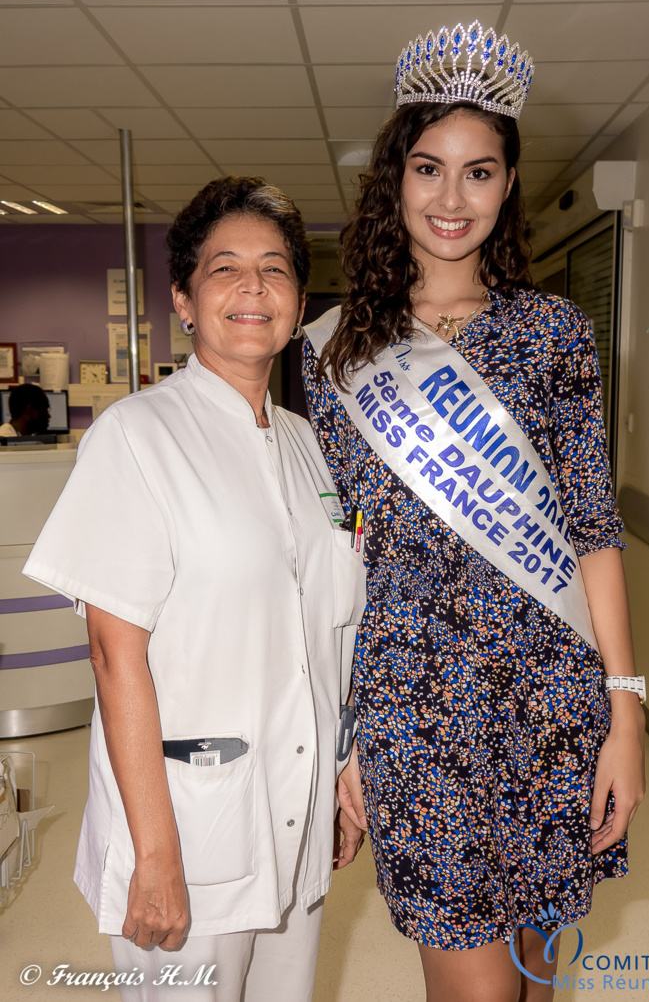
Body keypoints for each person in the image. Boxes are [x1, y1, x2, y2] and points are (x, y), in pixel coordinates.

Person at [302, 21, 646, 1002]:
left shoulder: (550, 333)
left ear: (505, 186)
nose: (450, 199)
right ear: (393, 180)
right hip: (412, 711)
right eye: (426, 167)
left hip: (548, 704)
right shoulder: (337, 357)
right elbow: (334, 559)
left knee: (538, 979)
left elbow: (590, 524)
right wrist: (344, 733)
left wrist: (622, 715)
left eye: (478, 172)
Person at [23, 175, 366, 1002]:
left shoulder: (310, 447)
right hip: (187, 823)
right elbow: (113, 653)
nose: (253, 287)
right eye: (224, 268)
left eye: (275, 268)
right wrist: (155, 854)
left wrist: (341, 771)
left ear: (297, 299)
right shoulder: (136, 436)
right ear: (182, 298)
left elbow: (327, 630)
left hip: (294, 810)